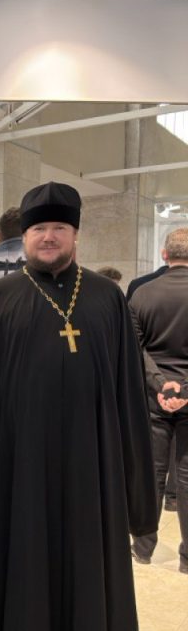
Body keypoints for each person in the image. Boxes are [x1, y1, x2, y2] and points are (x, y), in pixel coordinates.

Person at [0, 182, 158, 631]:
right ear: (24, 236)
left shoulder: (106, 298)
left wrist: (134, 478)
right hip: (18, 465)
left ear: (75, 234)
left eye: (58, 228)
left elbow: (127, 391)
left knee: (89, 559)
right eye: (38, 229)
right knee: (23, 558)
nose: (48, 237)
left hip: (91, 463)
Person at [129, 228, 188, 573]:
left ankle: (143, 549)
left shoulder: (141, 293)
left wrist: (161, 385)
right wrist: (183, 389)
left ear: (164, 255)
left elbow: (134, 350)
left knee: (151, 473)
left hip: (153, 398)